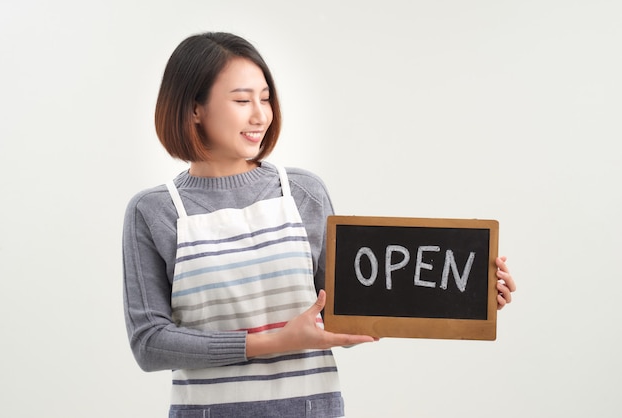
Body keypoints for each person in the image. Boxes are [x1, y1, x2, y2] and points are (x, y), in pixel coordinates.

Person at [122, 32, 516, 418]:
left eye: (265, 98)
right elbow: (150, 344)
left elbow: (343, 307)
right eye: (242, 100)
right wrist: (271, 341)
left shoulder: (302, 192)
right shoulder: (154, 211)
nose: (261, 114)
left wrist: (471, 293)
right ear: (194, 109)